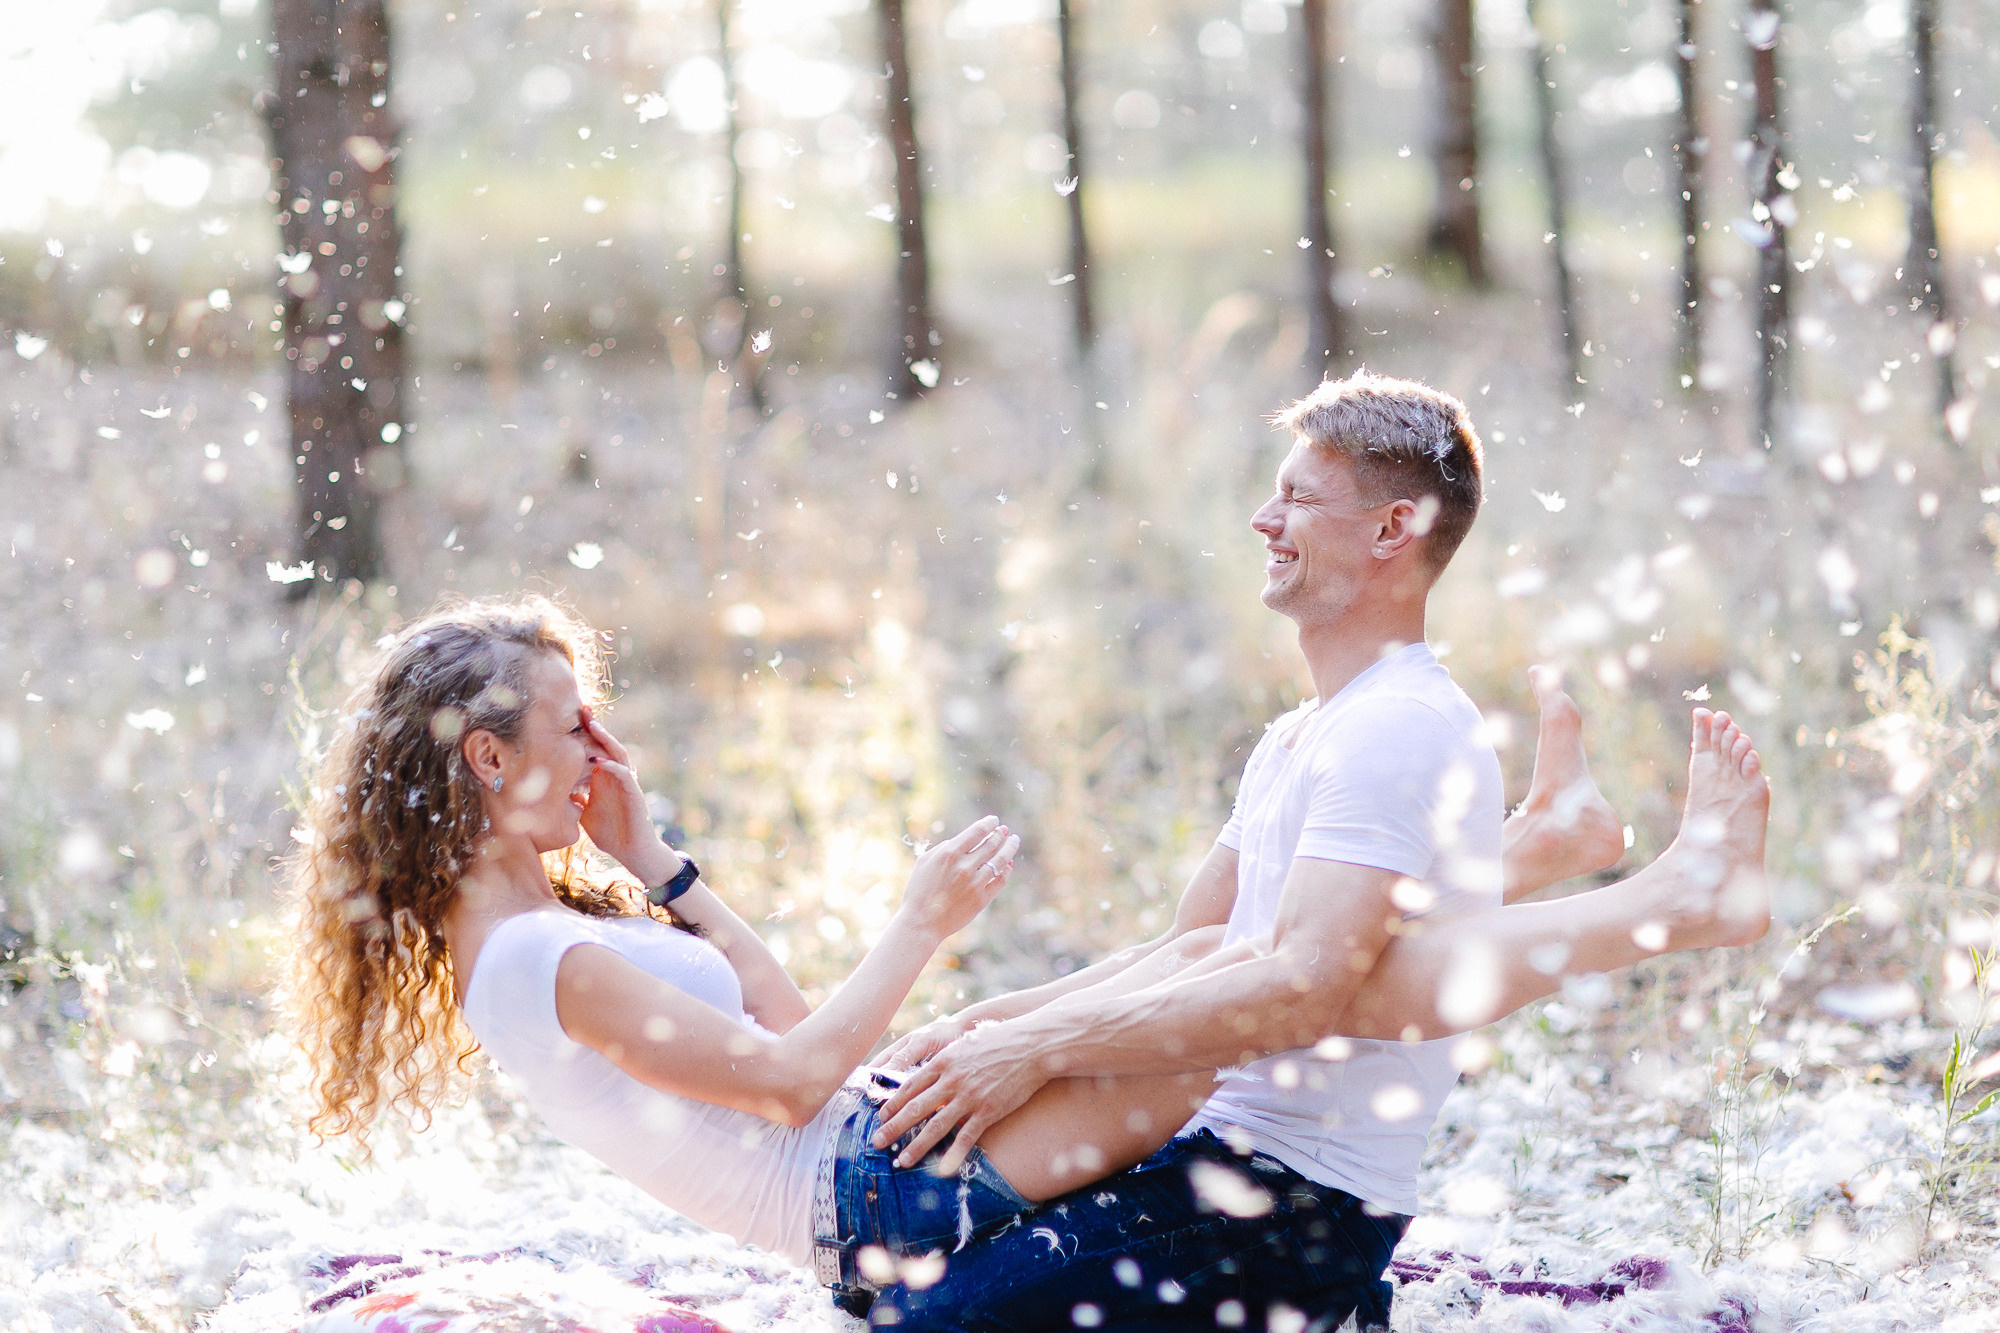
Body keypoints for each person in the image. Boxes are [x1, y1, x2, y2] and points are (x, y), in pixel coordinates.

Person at [855, 371, 1772, 1331]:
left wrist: (1032, 1049)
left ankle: (1641, 881)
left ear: (1393, 529)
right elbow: (1180, 950)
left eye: (1297, 497)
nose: (1263, 517)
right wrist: (988, 1025)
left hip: (1295, 1204)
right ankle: (1545, 842)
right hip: (1207, 1149)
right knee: (882, 1280)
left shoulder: (1399, 727)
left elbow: (1304, 989)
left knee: (927, 1329)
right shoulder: (1301, 733)